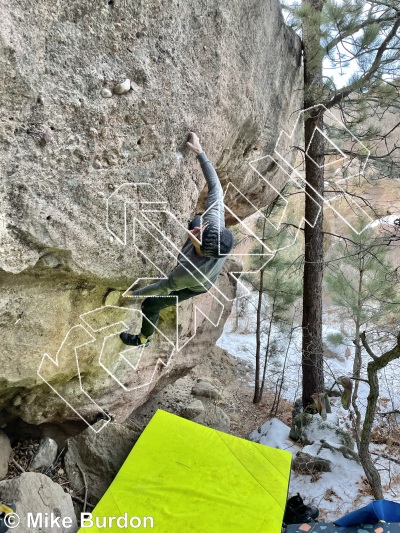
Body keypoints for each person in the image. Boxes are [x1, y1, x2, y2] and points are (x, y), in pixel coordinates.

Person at [120, 132, 234, 347]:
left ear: (201, 247)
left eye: (198, 234)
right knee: (197, 217)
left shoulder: (188, 274)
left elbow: (163, 287)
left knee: (150, 306)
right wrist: (200, 152)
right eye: (203, 228)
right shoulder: (214, 226)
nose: (197, 230)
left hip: (197, 285)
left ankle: (143, 339)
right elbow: (216, 188)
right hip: (205, 257)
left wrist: (132, 294)